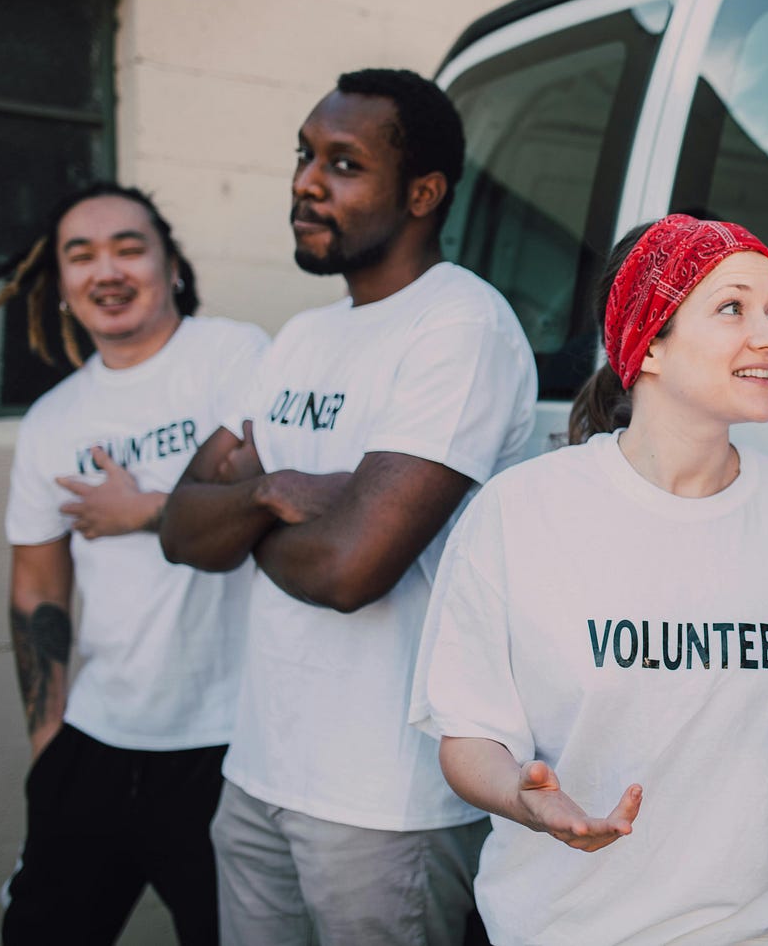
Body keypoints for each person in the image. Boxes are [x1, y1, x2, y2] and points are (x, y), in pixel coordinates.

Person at [410, 213, 768, 946]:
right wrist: (522, 797)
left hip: (756, 926)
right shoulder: (522, 512)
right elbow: (468, 737)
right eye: (732, 307)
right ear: (651, 342)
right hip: (566, 928)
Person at [159, 68, 537, 946]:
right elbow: (181, 528)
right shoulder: (302, 337)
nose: (305, 181)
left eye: (342, 163)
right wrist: (272, 492)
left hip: (385, 802)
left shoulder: (459, 329)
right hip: (258, 771)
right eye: (303, 156)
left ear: (423, 193)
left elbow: (348, 570)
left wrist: (244, 509)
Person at [0, 182, 268, 945]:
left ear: (171, 266)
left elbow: (267, 504)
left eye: (128, 247)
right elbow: (38, 587)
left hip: (228, 744)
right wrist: (49, 748)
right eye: (81, 255)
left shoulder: (235, 355)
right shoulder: (53, 420)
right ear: (61, 284)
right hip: (97, 740)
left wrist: (142, 510)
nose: (105, 271)